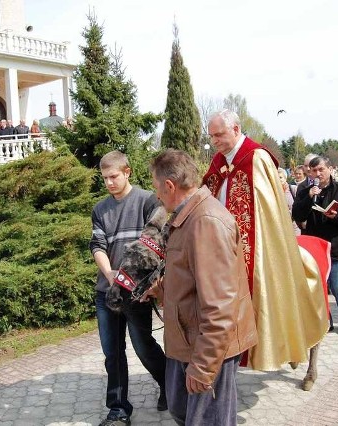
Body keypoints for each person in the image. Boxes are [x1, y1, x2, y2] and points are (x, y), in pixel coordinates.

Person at [202, 109, 328, 369]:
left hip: (254, 246)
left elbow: (267, 213)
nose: (215, 140)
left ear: (236, 130)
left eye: (219, 134)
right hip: (221, 242)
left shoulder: (256, 158)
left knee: (260, 291)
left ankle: (270, 347)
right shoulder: (218, 160)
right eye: (212, 136)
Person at [146, 149, 257, 426]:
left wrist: (204, 366)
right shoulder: (191, 216)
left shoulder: (205, 222)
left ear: (169, 186)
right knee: (185, 415)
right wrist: (164, 290)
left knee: (207, 421)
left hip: (204, 347)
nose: (156, 195)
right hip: (188, 341)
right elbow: (194, 277)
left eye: (156, 188)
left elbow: (220, 304)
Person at [89, 151, 166, 426]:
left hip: (137, 292)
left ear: (127, 172)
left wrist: (149, 283)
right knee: (113, 353)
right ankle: (119, 409)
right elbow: (97, 245)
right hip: (106, 291)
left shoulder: (148, 200)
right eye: (105, 178)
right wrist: (109, 273)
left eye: (114, 176)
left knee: (143, 345)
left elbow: (156, 244)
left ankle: (168, 383)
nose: (109, 182)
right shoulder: (99, 209)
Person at [293, 156, 338, 334]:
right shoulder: (304, 191)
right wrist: (308, 198)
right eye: (314, 171)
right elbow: (298, 215)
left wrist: (337, 216)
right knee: (319, 286)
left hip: (336, 245)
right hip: (314, 247)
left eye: (321, 169)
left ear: (330, 169)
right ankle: (326, 320)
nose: (318, 173)